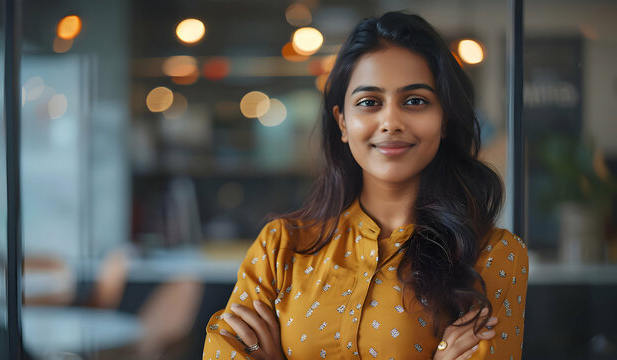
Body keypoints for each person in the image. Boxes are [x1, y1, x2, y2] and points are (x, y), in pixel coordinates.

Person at [203, 11, 528, 360]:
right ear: (342, 122)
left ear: (444, 119)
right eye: (369, 102)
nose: (390, 122)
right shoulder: (280, 248)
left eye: (415, 101)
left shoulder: (492, 256)